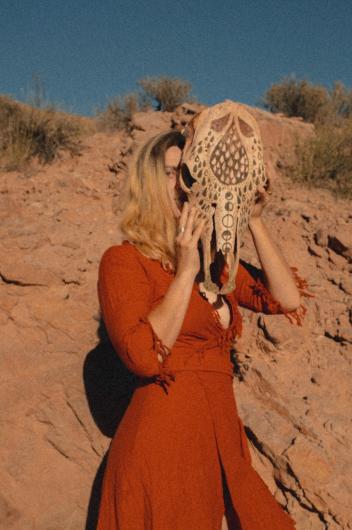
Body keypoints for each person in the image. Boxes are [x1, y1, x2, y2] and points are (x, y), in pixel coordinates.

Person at [96, 129, 313, 529]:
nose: (183, 184)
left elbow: (287, 300)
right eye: (171, 172)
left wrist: (254, 220)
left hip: (220, 434)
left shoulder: (216, 264)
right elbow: (144, 358)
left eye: (190, 172)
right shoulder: (124, 262)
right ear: (147, 182)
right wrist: (184, 273)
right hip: (165, 438)